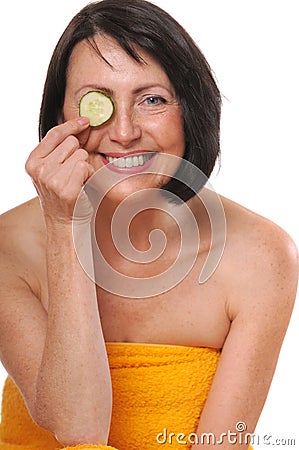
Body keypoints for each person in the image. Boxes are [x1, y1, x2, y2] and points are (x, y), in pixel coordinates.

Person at [0, 0, 298, 449]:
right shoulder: (7, 247)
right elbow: (78, 428)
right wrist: (65, 225)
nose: (123, 132)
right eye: (96, 103)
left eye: (152, 100)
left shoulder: (262, 254)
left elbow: (222, 443)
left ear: (190, 110)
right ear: (60, 119)